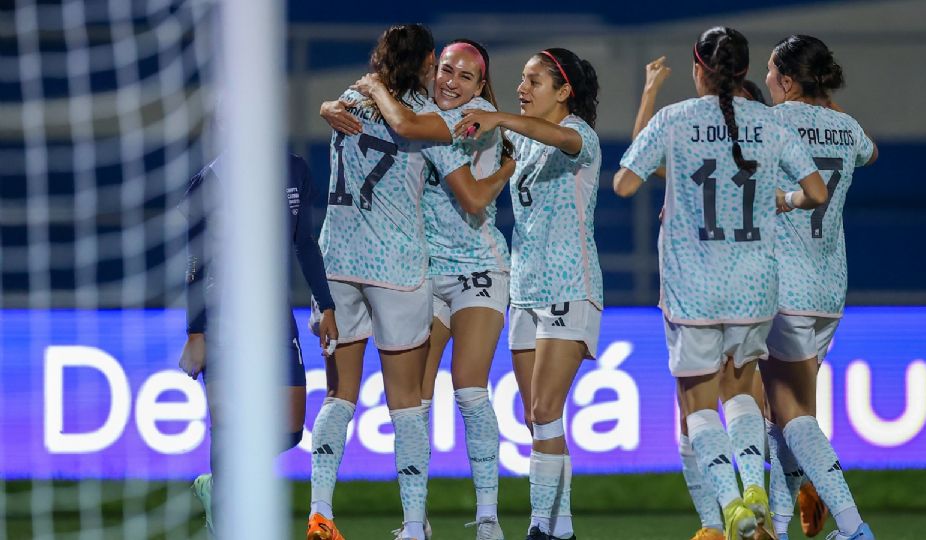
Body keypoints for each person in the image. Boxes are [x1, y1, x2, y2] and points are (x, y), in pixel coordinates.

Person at [614, 26, 828, 540]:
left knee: (697, 406)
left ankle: (731, 505)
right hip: (754, 287)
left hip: (694, 287)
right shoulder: (769, 123)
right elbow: (816, 191)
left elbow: (624, 184)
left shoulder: (675, 119)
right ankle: (754, 487)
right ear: (745, 72)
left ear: (698, 70)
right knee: (741, 393)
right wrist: (786, 201)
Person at [308, 24, 511, 540]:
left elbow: (366, 111)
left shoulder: (353, 98)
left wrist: (362, 90)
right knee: (407, 403)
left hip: (337, 263)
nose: (447, 77)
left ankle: (321, 512)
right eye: (442, 66)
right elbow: (462, 188)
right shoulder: (433, 117)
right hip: (400, 267)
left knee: (340, 395)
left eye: (465, 74)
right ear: (427, 63)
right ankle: (415, 524)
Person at [454, 47, 602, 540]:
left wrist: (499, 117)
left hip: (569, 287)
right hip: (525, 290)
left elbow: (559, 137)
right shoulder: (521, 144)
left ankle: (540, 525)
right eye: (521, 79)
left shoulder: (579, 135)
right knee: (536, 417)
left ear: (564, 92)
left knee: (545, 409)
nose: (522, 88)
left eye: (534, 81)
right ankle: (561, 528)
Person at [178, 150, 338, 537]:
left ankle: (221, 483)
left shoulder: (295, 169)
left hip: (274, 314)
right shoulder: (211, 180)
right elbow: (196, 262)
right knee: (227, 425)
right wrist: (196, 332)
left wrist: (327, 304)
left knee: (290, 429)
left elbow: (305, 243)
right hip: (222, 316)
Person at [761, 34, 878, 540]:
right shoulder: (848, 128)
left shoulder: (770, 123)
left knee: (789, 412)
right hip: (830, 292)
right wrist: (827, 104)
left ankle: (853, 527)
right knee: (781, 415)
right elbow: (871, 154)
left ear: (787, 80)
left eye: (770, 72)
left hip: (784, 289)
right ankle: (780, 528)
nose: (765, 81)